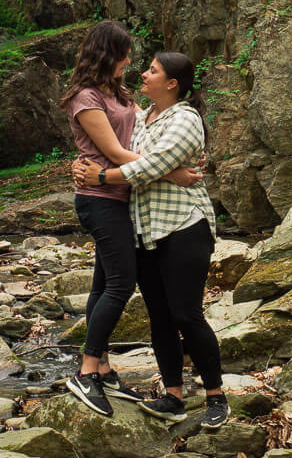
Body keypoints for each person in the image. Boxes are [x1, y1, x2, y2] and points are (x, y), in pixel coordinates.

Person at [74, 51, 229, 429]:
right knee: (159, 317)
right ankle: (173, 396)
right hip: (145, 230)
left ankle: (215, 396)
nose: (144, 73)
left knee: (186, 314)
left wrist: (101, 178)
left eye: (153, 71)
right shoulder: (144, 117)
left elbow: (146, 166)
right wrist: (83, 162)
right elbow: (119, 152)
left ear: (172, 83)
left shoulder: (186, 119)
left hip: (183, 227)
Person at [60, 23, 202, 417]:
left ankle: (103, 367)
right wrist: (172, 171)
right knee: (122, 283)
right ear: (109, 55)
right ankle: (87, 369)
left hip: (122, 198)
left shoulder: (117, 93)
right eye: (124, 54)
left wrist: (182, 154)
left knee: (104, 281)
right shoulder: (86, 99)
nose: (129, 62)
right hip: (99, 198)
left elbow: (149, 129)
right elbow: (116, 152)